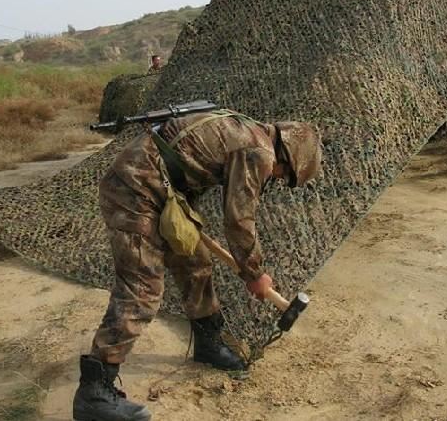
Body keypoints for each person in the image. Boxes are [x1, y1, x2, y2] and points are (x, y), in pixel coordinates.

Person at [73, 109, 322, 421]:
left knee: (196, 262)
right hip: (134, 189)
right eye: (283, 175)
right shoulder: (257, 151)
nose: (277, 178)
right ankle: (95, 391)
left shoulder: (252, 131)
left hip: (162, 189)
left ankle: (208, 344)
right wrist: (255, 273)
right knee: (142, 287)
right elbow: (239, 220)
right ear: (286, 156)